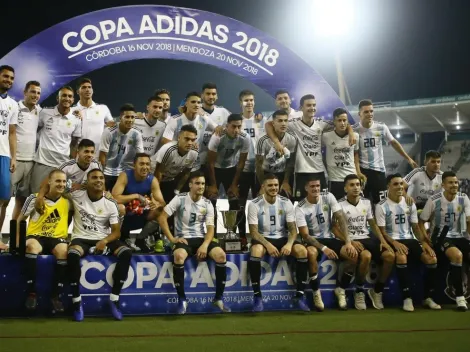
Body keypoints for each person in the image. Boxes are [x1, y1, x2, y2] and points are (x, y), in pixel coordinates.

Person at [157, 171, 231, 314]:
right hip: (183, 238)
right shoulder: (180, 199)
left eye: (203, 183)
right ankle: (182, 300)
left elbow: (210, 229)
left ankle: (219, 298)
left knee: (221, 255)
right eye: (197, 183)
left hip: (201, 238)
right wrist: (173, 239)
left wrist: (204, 245)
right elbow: (162, 218)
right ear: (190, 185)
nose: (201, 186)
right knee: (178, 256)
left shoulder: (208, 203)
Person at [67, 168, 132, 321]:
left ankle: (114, 298)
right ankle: (76, 302)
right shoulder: (75, 195)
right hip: (81, 238)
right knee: (72, 255)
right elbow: (54, 186)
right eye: (94, 177)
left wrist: (104, 241)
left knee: (126, 253)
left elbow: (116, 232)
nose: (98, 180)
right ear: (87, 181)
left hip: (104, 238)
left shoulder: (110, 203)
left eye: (101, 178)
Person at [265, 94, 354, 198]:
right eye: (308, 105)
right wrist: (277, 143)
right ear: (301, 108)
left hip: (319, 171)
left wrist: (351, 132)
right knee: (302, 203)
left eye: (314, 105)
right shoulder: (293, 124)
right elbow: (269, 125)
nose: (312, 108)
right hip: (301, 172)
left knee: (323, 204)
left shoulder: (321, 123)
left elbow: (342, 122)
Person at [376, 173, 441, 312]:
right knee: (401, 256)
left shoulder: (409, 203)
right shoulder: (381, 206)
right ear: (388, 186)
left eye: (401, 184)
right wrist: (395, 243)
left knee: (432, 258)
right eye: (395, 184)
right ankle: (407, 298)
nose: (399, 187)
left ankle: (428, 297)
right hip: (392, 239)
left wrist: (423, 243)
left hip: (409, 239)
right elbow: (381, 231)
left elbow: (415, 227)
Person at [247, 174, 310, 312]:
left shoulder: (286, 202)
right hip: (263, 238)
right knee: (256, 250)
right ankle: (257, 297)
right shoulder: (254, 204)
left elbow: (293, 230)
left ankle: (300, 295)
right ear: (263, 187)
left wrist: (288, 244)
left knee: (302, 251)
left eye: (276, 185)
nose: (274, 188)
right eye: (270, 185)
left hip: (282, 238)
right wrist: (268, 245)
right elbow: (254, 232)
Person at [295, 176, 357, 311]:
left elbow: (341, 218)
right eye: (312, 186)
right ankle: (316, 293)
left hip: (329, 237)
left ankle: (341, 289)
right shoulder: (300, 207)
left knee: (353, 255)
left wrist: (348, 242)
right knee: (311, 253)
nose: (316, 189)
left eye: (317, 186)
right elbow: (305, 235)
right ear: (306, 188)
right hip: (313, 240)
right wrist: (324, 248)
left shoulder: (328, 196)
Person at [337, 174, 395, 310]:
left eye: (358, 185)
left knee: (390, 256)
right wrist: (349, 241)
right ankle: (359, 291)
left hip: (366, 237)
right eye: (352, 185)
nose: (356, 188)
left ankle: (377, 291)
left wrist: (382, 240)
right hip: (349, 239)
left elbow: (373, 224)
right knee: (366, 256)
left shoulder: (366, 202)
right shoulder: (339, 204)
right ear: (345, 188)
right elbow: (334, 228)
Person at [17, 170, 70, 312]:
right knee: (31, 247)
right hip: (36, 236)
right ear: (49, 182)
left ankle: (55, 295)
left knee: (64, 252)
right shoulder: (34, 199)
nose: (61, 184)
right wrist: (16, 242)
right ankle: (31, 292)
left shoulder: (68, 201)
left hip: (57, 238)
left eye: (64, 181)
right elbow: (19, 221)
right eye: (58, 181)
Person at [419, 171, 470, 311]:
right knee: (457, 255)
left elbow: (469, 221)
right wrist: (425, 240)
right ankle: (460, 298)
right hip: (440, 237)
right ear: (443, 185)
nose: (454, 185)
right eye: (450, 183)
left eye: (456, 182)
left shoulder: (463, 198)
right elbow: (421, 221)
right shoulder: (434, 200)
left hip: (460, 236)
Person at [353, 100, 418, 205]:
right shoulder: (354, 130)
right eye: (366, 112)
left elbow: (393, 142)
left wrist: (408, 158)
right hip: (362, 172)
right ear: (359, 114)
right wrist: (357, 171)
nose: (370, 114)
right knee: (361, 202)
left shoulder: (381, 127)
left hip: (378, 171)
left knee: (381, 202)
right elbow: (353, 152)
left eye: (371, 111)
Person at [2, 80, 40, 240]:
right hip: (14, 161)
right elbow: (10, 132)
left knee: (22, 202)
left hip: (31, 162)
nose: (35, 95)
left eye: (38, 93)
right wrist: (13, 157)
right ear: (25, 92)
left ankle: (14, 238)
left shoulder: (40, 111)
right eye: (32, 92)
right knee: (3, 200)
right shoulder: (14, 107)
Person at [30, 86, 81, 194]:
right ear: (58, 98)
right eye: (64, 95)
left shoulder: (76, 119)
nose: (67, 98)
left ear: (73, 100)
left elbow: (74, 143)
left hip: (62, 165)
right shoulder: (45, 113)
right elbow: (34, 130)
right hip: (42, 162)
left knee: (57, 196)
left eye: (70, 96)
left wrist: (71, 162)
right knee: (36, 194)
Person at [206, 113, 250, 234]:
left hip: (231, 170)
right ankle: (212, 236)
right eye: (233, 126)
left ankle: (236, 236)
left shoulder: (245, 137)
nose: (236, 130)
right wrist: (213, 185)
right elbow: (210, 163)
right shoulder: (217, 137)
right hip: (214, 170)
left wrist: (235, 184)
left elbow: (241, 163)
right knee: (211, 203)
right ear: (227, 126)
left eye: (239, 127)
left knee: (235, 203)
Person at [112, 153, 165, 252]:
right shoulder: (125, 175)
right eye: (141, 164)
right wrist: (136, 196)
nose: (145, 167)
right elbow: (114, 198)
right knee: (119, 207)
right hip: (125, 215)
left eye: (147, 164)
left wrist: (156, 204)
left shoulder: (152, 180)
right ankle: (118, 238)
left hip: (142, 215)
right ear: (134, 165)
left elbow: (163, 203)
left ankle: (140, 239)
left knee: (160, 211)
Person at [161, 91, 222, 172]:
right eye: (193, 102)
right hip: (176, 166)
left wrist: (219, 129)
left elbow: (218, 128)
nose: (196, 104)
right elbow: (165, 140)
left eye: (199, 102)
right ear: (186, 103)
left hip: (195, 166)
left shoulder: (204, 119)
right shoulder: (175, 120)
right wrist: (185, 144)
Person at [238, 90, 265, 239]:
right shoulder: (237, 122)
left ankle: (259, 237)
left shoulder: (262, 120)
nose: (249, 103)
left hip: (259, 169)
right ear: (240, 103)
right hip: (242, 169)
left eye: (251, 100)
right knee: (239, 204)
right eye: (246, 100)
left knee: (259, 205)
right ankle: (241, 237)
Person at [322, 108, 364, 200]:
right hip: (334, 180)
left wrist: (358, 172)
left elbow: (355, 154)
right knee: (337, 210)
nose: (342, 123)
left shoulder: (355, 136)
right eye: (339, 120)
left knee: (355, 208)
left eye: (344, 120)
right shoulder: (326, 136)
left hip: (351, 177)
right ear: (334, 122)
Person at [100, 103, 143, 191]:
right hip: (108, 172)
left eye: (132, 117)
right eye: (127, 117)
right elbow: (102, 156)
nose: (130, 120)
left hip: (125, 172)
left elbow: (140, 156)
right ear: (120, 117)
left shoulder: (136, 133)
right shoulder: (109, 132)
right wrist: (102, 176)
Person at [256, 110, 297, 198]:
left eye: (285, 120)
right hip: (265, 173)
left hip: (282, 174)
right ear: (273, 123)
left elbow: (290, 163)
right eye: (280, 121)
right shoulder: (262, 140)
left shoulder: (292, 139)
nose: (283, 123)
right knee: (263, 203)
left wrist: (286, 181)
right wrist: (262, 185)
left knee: (285, 201)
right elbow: (258, 165)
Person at [154, 125, 199, 203]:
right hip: (152, 177)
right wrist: (156, 193)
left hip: (169, 179)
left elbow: (186, 173)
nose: (190, 143)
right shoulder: (168, 149)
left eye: (192, 140)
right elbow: (158, 172)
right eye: (187, 139)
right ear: (179, 137)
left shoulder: (194, 153)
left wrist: (177, 190)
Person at [0, 65, 18, 250]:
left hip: (3, 155)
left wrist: (13, 157)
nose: (8, 80)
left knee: (3, 200)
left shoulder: (12, 104)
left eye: (11, 78)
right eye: (5, 76)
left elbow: (12, 133)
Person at [71, 78, 114, 157]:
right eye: (84, 87)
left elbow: (112, 127)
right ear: (77, 92)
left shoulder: (103, 108)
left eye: (89, 87)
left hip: (99, 156)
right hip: (79, 157)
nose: (87, 89)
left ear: (92, 90)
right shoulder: (72, 111)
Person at [133, 96, 166, 169]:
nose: (157, 110)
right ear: (148, 107)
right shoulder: (135, 121)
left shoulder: (163, 126)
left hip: (148, 165)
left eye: (160, 108)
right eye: (155, 106)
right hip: (132, 163)